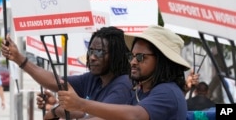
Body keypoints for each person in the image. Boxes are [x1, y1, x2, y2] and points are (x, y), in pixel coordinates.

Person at [57, 25, 191, 120]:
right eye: (131, 56)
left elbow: (135, 116)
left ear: (162, 60)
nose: (133, 62)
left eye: (140, 57)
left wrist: (81, 104)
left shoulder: (167, 91)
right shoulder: (140, 92)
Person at [1, 26, 132, 119]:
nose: (92, 57)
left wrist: (57, 111)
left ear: (116, 55)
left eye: (99, 52)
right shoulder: (94, 78)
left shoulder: (123, 85)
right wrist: (19, 59)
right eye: (91, 51)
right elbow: (56, 81)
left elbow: (95, 117)